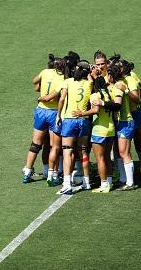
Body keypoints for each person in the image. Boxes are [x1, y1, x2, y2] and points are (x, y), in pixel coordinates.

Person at [22, 54, 65, 183]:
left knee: (35, 144)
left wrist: (42, 85)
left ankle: (27, 172)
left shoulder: (45, 72)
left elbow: (34, 81)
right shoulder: (63, 77)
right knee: (54, 146)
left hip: (40, 110)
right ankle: (54, 175)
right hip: (53, 112)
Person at [56, 61, 93, 195]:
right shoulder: (89, 83)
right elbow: (90, 78)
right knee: (83, 152)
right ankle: (86, 182)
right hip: (83, 120)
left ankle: (66, 184)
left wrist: (58, 115)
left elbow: (61, 99)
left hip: (70, 120)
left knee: (67, 152)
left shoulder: (68, 82)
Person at [107, 64, 137, 191]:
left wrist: (103, 104)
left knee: (124, 153)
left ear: (111, 75)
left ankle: (130, 183)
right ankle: (123, 179)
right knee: (120, 152)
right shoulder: (116, 85)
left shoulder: (119, 87)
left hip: (125, 123)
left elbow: (117, 105)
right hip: (120, 123)